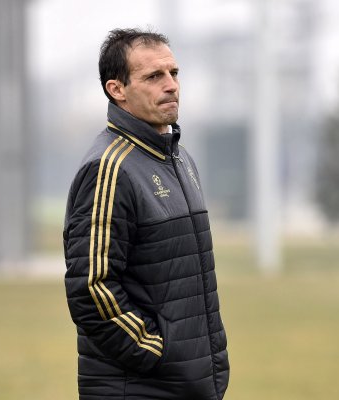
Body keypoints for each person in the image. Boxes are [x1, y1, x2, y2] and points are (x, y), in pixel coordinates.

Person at [63, 28, 230, 400]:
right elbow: (91, 287)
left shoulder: (179, 158)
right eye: (154, 76)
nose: (171, 85)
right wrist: (156, 352)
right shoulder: (108, 168)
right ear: (117, 89)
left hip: (190, 384)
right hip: (142, 387)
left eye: (174, 73)